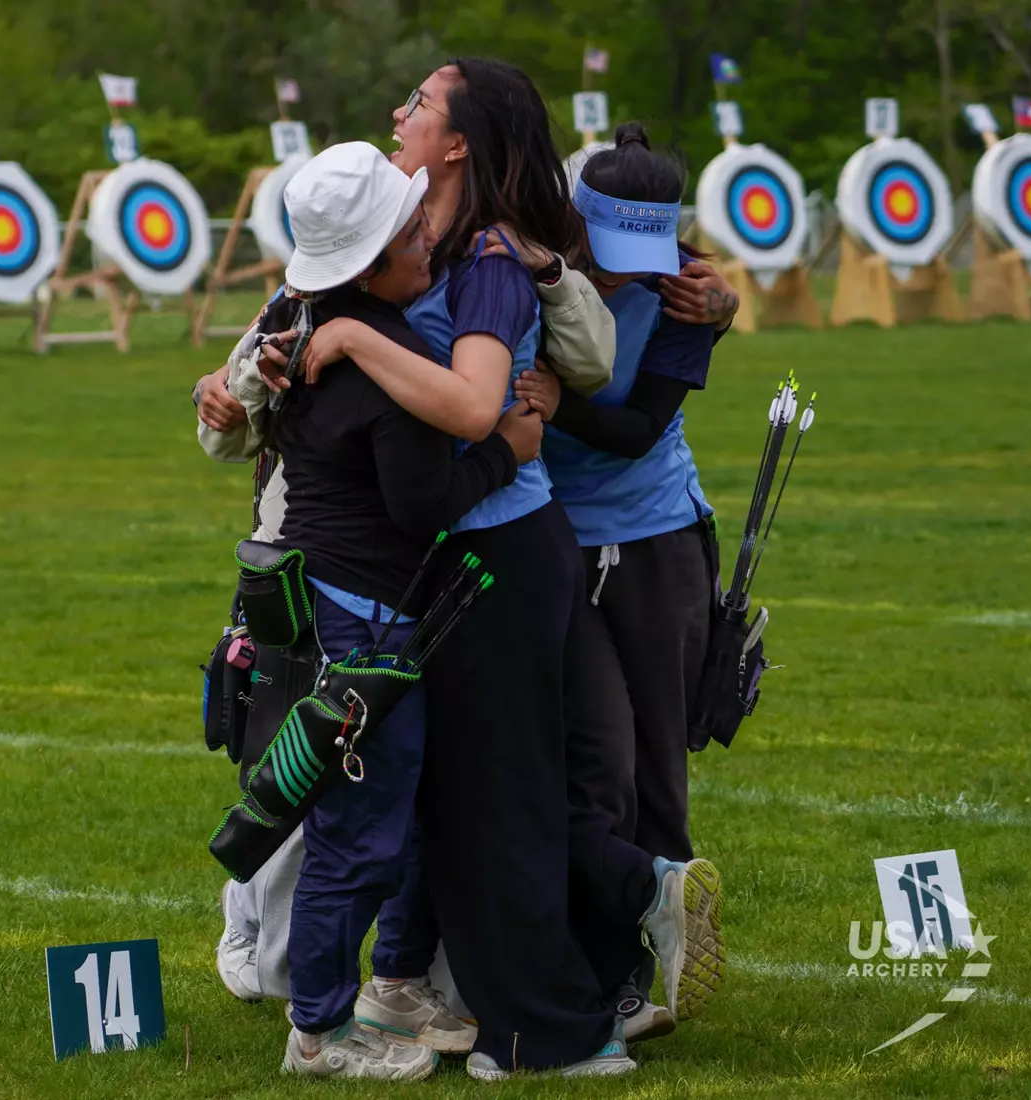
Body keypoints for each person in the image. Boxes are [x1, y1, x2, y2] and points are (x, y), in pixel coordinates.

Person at [292, 61, 723, 1079]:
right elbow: (302, 302)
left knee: (500, 797)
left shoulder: (485, 255)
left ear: (459, 145)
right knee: (488, 793)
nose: (398, 112)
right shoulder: (418, 239)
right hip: (475, 549)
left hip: (493, 546)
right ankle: (557, 985)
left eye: (422, 104)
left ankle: (542, 1023)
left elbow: (480, 404)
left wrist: (353, 336)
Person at [234, 140, 543, 1080]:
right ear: (370, 265)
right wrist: (510, 450)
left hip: (331, 605)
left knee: (373, 825)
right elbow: (422, 508)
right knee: (358, 836)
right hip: (357, 620)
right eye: (411, 232)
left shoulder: (311, 325)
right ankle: (321, 1034)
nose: (429, 241)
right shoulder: (384, 358)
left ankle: (355, 1004)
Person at [512, 122, 729, 1024]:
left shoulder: (685, 290)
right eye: (606, 251)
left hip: (655, 540)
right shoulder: (523, 255)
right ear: (570, 218)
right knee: (594, 765)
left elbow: (641, 427)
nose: (622, 273)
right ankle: (611, 965)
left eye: (641, 252)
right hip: (553, 537)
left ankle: (666, 955)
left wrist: (557, 401)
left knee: (659, 768)